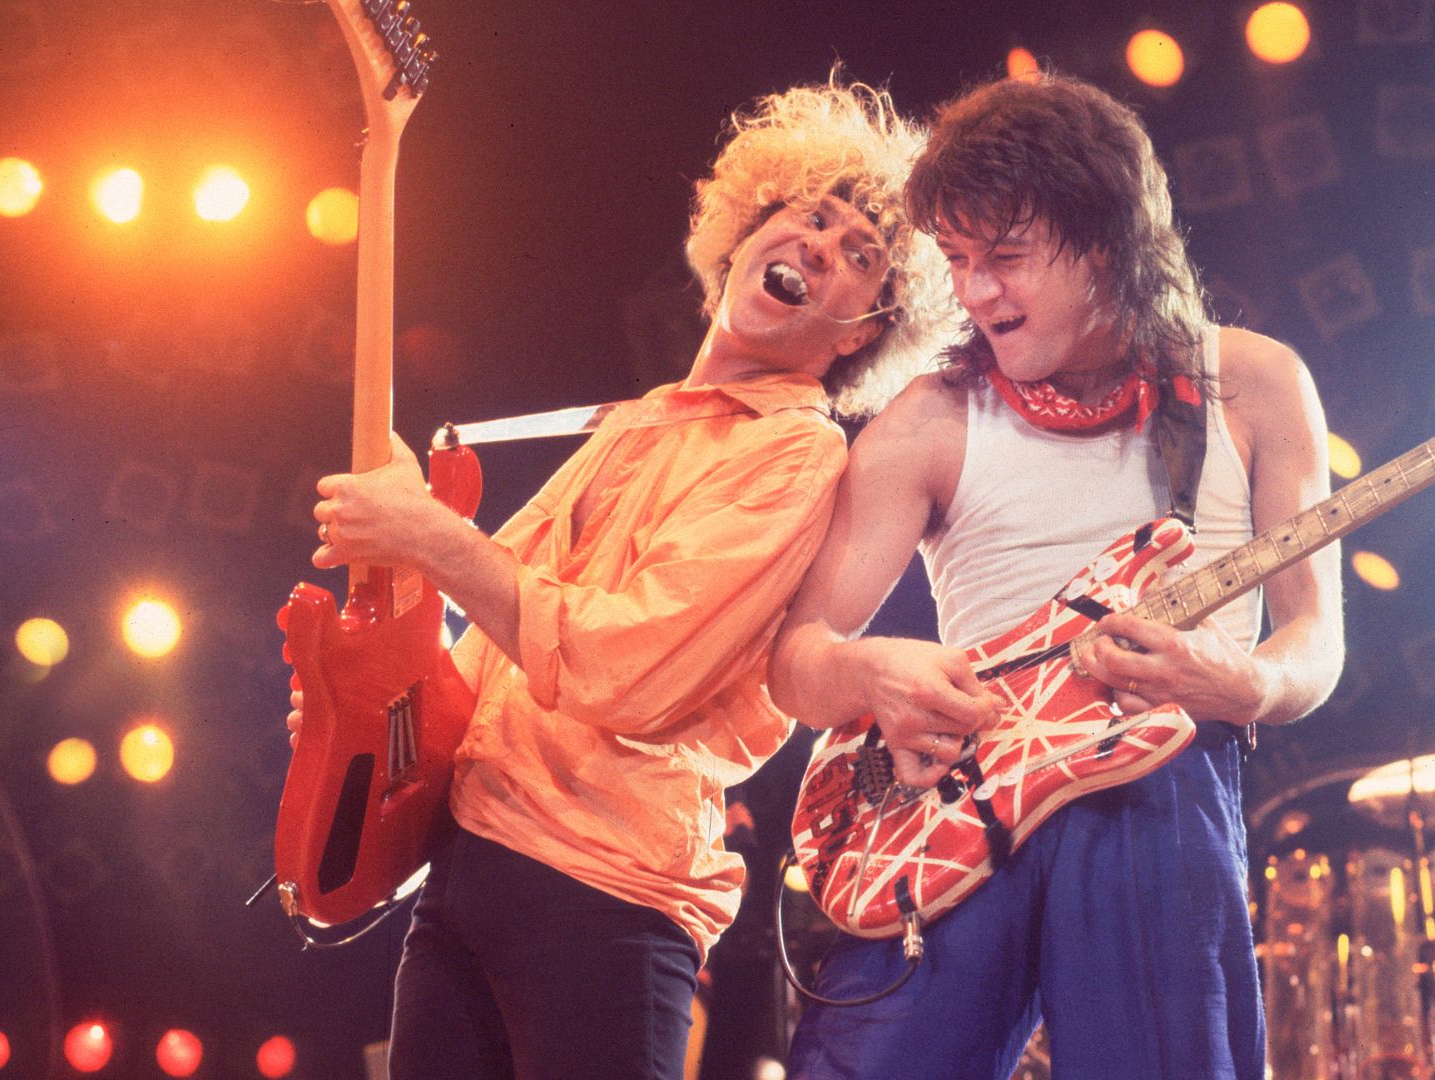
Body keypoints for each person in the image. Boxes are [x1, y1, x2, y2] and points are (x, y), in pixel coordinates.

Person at [290, 78, 954, 1080]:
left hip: (604, 893)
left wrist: (429, 536)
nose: (824, 245)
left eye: (862, 255)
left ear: (862, 331)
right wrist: (370, 720)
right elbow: (489, 656)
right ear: (748, 234)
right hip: (467, 860)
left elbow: (629, 670)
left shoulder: (798, 452)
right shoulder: (645, 418)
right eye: (812, 217)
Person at [770, 72, 1345, 1080]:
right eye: (957, 260)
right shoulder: (928, 418)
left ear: (1108, 238)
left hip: (1155, 787)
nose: (975, 292)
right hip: (958, 802)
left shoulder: (1252, 381)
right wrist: (875, 675)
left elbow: (1316, 639)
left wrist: (1251, 683)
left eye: (1005, 257)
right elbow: (797, 660)